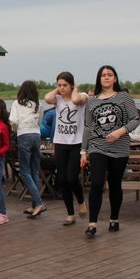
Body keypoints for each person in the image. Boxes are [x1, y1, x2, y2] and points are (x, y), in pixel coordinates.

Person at [79, 65, 140, 237]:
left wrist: (120, 131)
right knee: (97, 183)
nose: (106, 77)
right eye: (103, 75)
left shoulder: (124, 97)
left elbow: (136, 119)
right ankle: (92, 224)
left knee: (114, 184)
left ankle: (114, 219)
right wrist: (83, 151)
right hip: (97, 147)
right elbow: (87, 127)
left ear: (115, 79)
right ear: (99, 79)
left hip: (119, 148)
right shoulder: (92, 101)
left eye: (110, 75)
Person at [44, 72, 89, 226]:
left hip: (77, 143)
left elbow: (76, 100)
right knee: (62, 179)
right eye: (59, 85)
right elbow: (46, 98)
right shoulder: (57, 99)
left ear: (71, 85)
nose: (61, 88)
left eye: (64, 85)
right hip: (61, 143)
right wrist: (58, 90)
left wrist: (74, 89)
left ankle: (81, 202)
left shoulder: (81, 96)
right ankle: (70, 214)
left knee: (72, 178)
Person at [10, 80, 46, 218]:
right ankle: (34, 206)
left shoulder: (17, 103)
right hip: (36, 135)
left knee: (25, 172)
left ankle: (39, 203)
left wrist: (15, 130)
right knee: (34, 171)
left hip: (24, 135)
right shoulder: (38, 104)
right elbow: (40, 122)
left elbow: (13, 120)